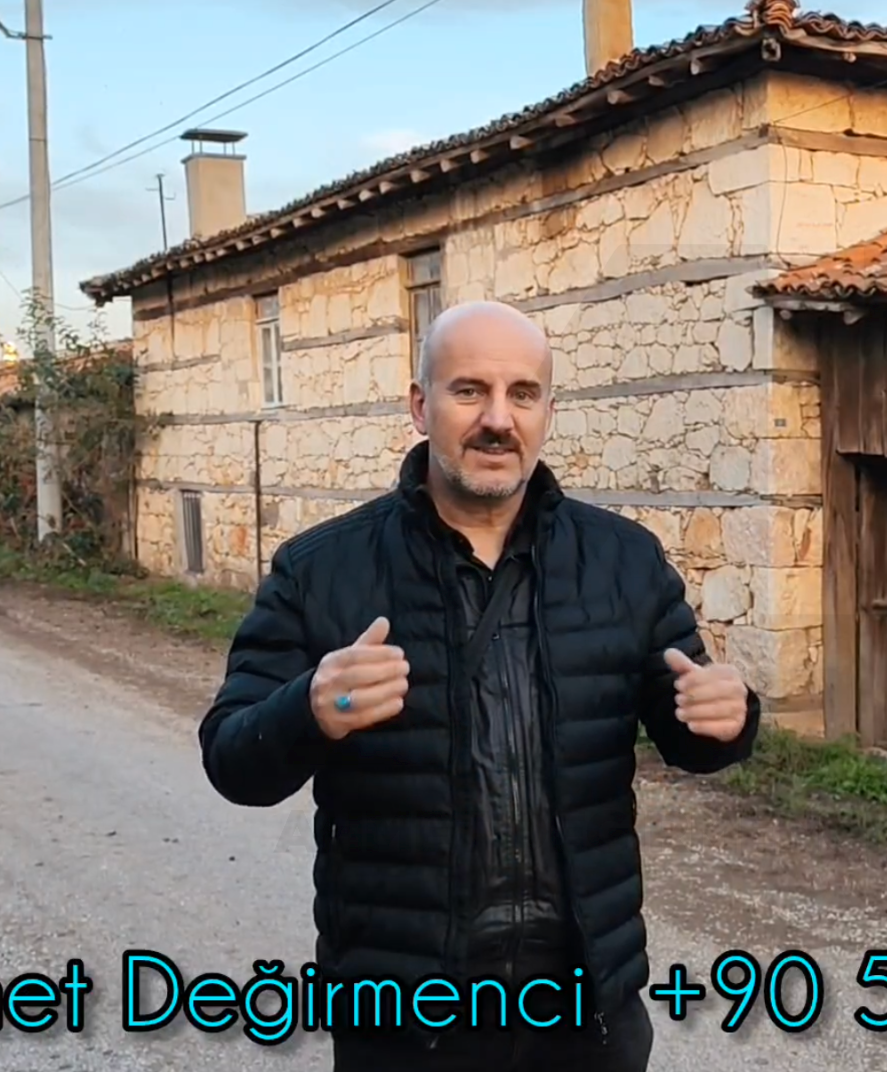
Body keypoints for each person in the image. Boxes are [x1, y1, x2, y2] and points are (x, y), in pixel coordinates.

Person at [197, 300, 762, 1071]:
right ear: (420, 405)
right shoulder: (321, 569)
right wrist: (308, 710)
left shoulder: (624, 561)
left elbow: (691, 729)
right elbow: (232, 760)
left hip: (584, 1012)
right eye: (469, 391)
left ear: (548, 411)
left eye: (522, 394)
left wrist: (729, 718)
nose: (498, 419)